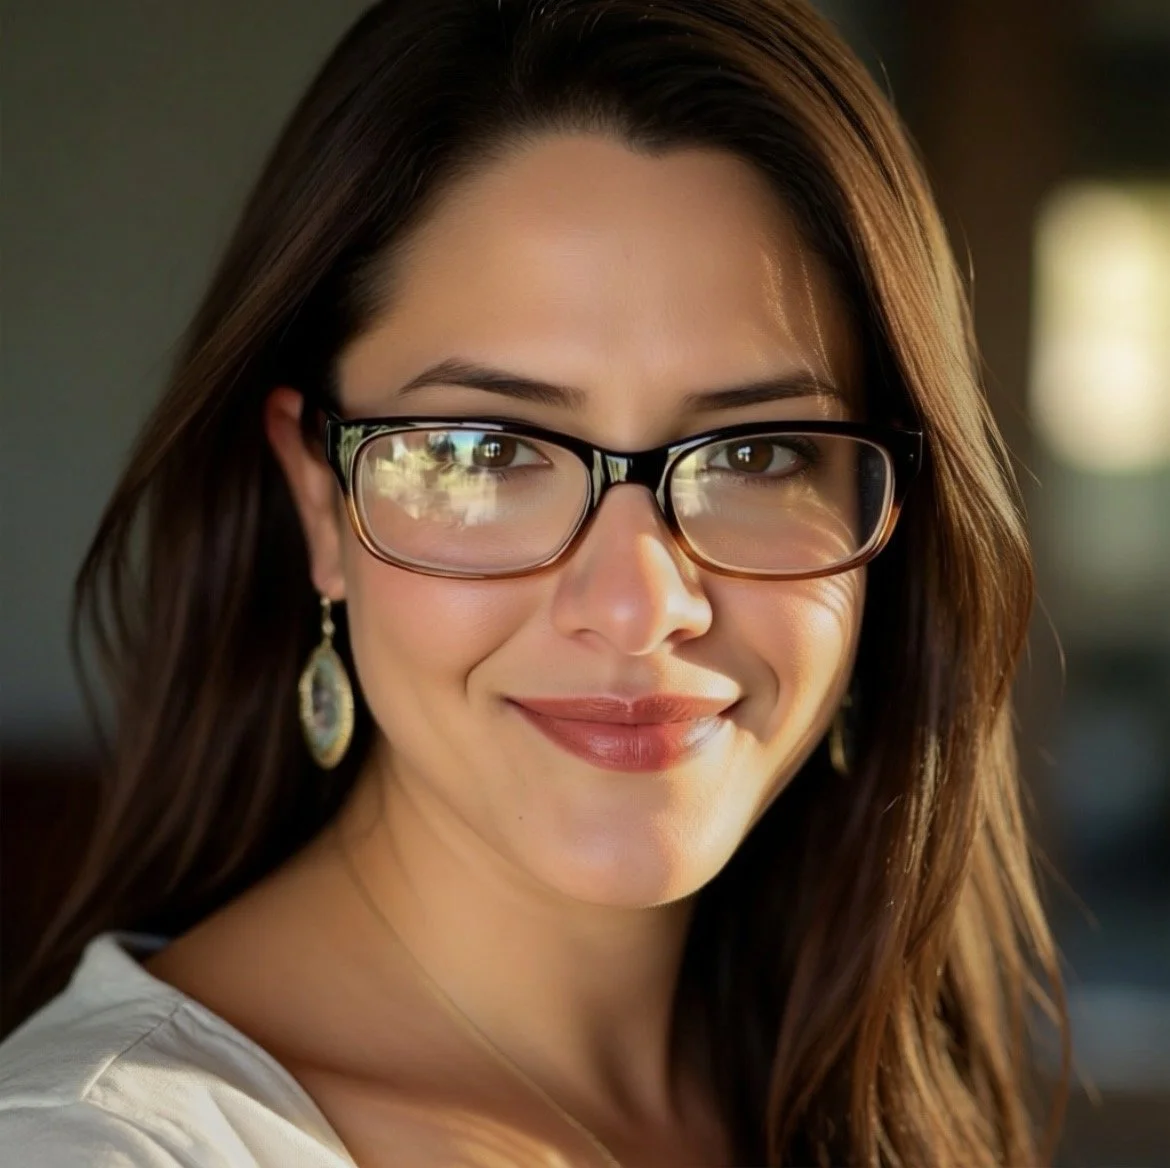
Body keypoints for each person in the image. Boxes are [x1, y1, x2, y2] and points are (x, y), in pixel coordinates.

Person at [0, 1, 1071, 1164]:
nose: (640, 600)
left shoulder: (868, 1092)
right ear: (319, 500)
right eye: (488, 452)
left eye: (758, 453)